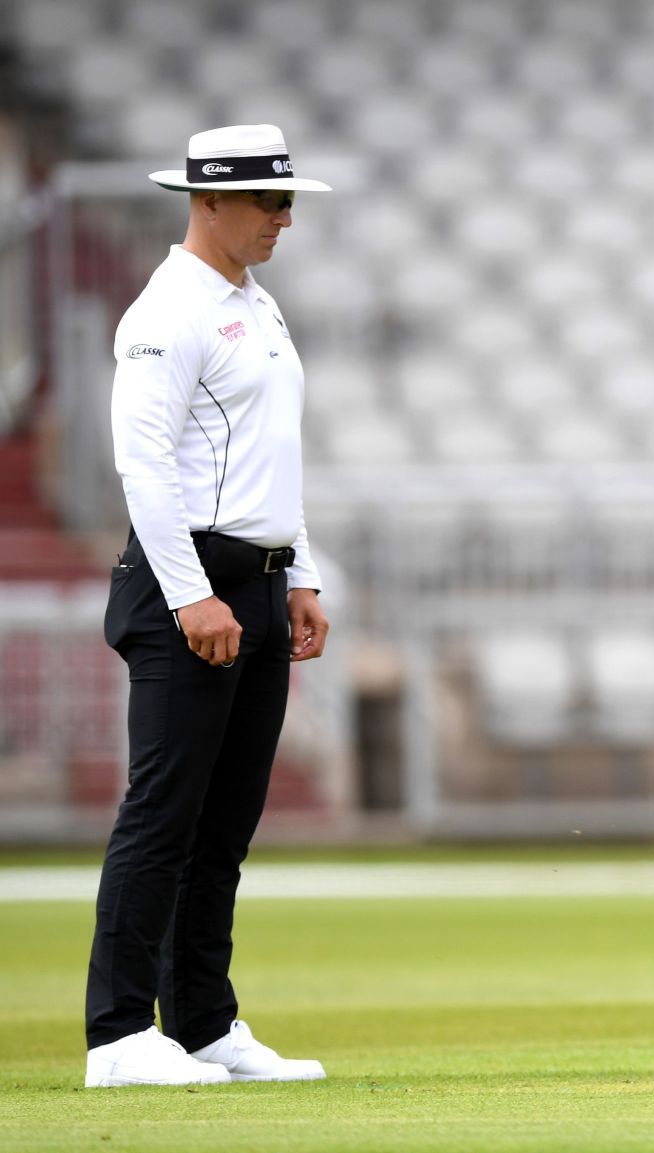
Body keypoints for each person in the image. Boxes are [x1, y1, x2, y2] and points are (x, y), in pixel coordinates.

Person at [84, 125, 331, 1087]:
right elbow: (142, 465)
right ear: (211, 201)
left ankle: (201, 1020)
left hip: (257, 581)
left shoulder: (254, 306)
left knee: (224, 822)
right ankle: (117, 1034)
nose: (284, 219)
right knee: (164, 812)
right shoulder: (167, 309)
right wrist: (193, 595)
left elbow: (276, 456)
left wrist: (298, 570)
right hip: (192, 580)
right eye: (271, 202)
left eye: (289, 203)